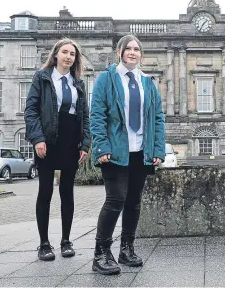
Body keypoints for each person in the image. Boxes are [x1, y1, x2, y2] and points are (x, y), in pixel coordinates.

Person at [90, 35, 165, 275]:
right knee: (116, 200)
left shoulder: (147, 82)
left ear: (141, 54)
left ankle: (127, 249)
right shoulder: (107, 78)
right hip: (115, 151)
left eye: (137, 49)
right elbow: (97, 113)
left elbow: (157, 118)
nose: (133, 52)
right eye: (128, 48)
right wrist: (101, 146)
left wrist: (157, 149)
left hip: (140, 151)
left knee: (133, 202)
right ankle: (101, 253)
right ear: (120, 51)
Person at [24, 38, 90, 261]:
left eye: (72, 54)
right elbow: (31, 110)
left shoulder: (78, 83)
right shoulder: (42, 78)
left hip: (71, 143)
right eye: (65, 52)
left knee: (67, 193)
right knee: (45, 192)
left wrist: (85, 144)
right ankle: (44, 244)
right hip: (47, 141)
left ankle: (65, 241)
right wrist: (37, 139)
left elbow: (85, 117)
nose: (69, 56)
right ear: (55, 55)